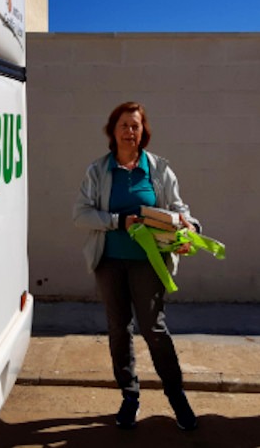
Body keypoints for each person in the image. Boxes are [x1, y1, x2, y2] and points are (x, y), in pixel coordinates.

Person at [73, 101, 200, 431]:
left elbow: (179, 209)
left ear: (144, 132)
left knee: (154, 330)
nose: (130, 131)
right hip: (110, 263)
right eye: (124, 126)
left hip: (148, 263)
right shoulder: (98, 171)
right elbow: (81, 213)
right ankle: (129, 397)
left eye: (136, 126)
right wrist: (119, 222)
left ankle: (177, 398)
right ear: (112, 132)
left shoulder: (158, 170)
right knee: (118, 331)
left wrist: (190, 229)